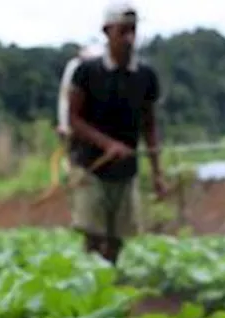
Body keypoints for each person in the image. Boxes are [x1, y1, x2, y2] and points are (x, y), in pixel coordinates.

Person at [65, 2, 166, 265]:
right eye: (123, 31)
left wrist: (157, 173)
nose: (130, 38)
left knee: (117, 238)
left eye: (133, 31)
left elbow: (150, 125)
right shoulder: (87, 72)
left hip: (126, 170)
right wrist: (108, 144)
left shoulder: (145, 76)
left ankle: (110, 283)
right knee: (94, 236)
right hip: (91, 165)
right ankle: (91, 288)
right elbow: (73, 119)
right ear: (107, 32)